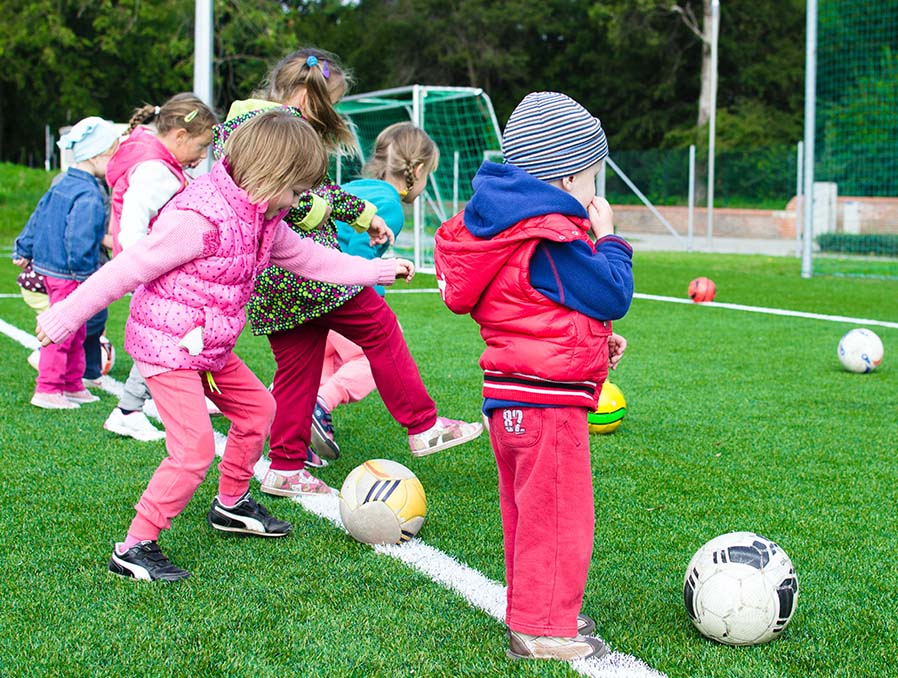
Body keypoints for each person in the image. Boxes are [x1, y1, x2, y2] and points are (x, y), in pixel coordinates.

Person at [36, 110, 415, 582]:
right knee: (193, 450)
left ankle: (231, 505)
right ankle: (134, 546)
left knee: (260, 410)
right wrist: (65, 316)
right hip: (168, 347)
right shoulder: (199, 218)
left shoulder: (263, 217)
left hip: (209, 347)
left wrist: (376, 270)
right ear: (270, 176)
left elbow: (309, 259)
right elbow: (128, 268)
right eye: (297, 191)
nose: (300, 202)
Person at [212, 47, 482, 498]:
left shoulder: (243, 123)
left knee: (299, 368)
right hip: (306, 270)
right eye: (329, 104)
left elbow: (317, 189)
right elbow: (291, 199)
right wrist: (334, 222)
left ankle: (284, 466)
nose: (329, 114)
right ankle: (423, 424)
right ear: (304, 95)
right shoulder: (274, 128)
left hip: (271, 281)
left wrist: (364, 216)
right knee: (379, 328)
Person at [433, 92, 634, 661]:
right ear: (568, 177)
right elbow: (612, 292)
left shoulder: (509, 229)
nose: (597, 191)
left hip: (514, 398)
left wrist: (595, 345)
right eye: (594, 177)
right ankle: (542, 628)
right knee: (558, 516)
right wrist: (610, 238)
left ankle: (535, 609)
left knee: (529, 514)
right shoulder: (550, 236)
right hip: (545, 406)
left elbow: (537, 310)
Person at [308, 122, 439, 468]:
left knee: (321, 363)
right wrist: (374, 292)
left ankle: (299, 431)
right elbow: (358, 252)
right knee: (372, 358)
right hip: (341, 294)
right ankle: (321, 403)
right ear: (419, 170)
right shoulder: (390, 207)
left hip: (309, 290)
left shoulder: (353, 187)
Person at [102, 93, 218, 442]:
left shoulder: (160, 163)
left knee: (178, 333)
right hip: (155, 271)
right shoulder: (156, 171)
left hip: (158, 269)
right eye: (200, 147)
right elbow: (133, 227)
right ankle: (128, 409)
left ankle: (148, 402)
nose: (201, 158)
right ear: (180, 136)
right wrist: (147, 268)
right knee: (165, 337)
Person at [12, 116, 121, 410]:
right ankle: (48, 388)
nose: (115, 162)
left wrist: (23, 246)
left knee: (78, 329)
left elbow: (38, 215)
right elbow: (79, 237)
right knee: (63, 330)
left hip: (55, 268)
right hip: (70, 273)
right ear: (97, 156)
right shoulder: (89, 193)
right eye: (113, 154)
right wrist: (86, 276)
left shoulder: (63, 182)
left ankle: (72, 384)